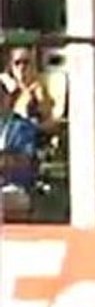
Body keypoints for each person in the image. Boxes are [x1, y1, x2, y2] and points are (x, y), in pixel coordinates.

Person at [0, 84, 41, 222]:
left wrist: (5, 160)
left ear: (8, 99)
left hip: (13, 187)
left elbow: (25, 160)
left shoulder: (23, 127)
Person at [0, 47, 55, 135]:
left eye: (26, 63)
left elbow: (50, 124)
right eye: (17, 63)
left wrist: (32, 127)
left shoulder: (37, 91)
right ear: (11, 67)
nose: (22, 67)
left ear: (32, 66)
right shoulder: (6, 88)